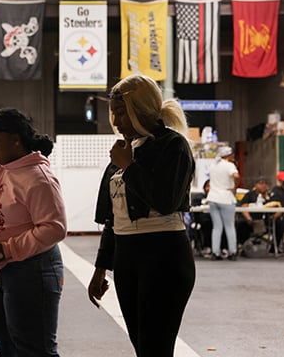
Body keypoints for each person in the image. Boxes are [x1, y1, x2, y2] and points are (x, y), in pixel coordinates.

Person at [87, 74, 196, 357]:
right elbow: (113, 217)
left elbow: (167, 200)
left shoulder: (173, 146)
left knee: (155, 348)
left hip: (164, 256)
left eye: (121, 113)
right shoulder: (123, 152)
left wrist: (129, 167)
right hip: (127, 257)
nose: (116, 121)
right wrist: (101, 268)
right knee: (142, 346)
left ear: (141, 110)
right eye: (114, 113)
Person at [0, 108, 67, 357]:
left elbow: (54, 227)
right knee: (5, 345)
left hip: (32, 270)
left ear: (16, 139)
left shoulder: (38, 178)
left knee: (34, 349)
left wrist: (8, 249)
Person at [206, 146, 240, 260]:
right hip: (226, 198)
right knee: (229, 226)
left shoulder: (213, 165)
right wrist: (235, 188)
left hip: (213, 198)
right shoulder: (229, 165)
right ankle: (232, 252)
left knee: (216, 227)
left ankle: (215, 252)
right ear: (228, 155)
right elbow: (236, 176)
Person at [236, 177, 272, 245]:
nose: (264, 185)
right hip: (251, 218)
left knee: (279, 223)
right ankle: (242, 244)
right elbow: (244, 207)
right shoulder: (249, 195)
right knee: (242, 224)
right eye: (261, 183)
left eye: (265, 183)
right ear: (256, 185)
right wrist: (248, 218)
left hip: (265, 220)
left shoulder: (270, 196)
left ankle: (274, 247)